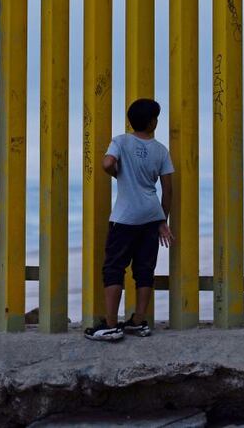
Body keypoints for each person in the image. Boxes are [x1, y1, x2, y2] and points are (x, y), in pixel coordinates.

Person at [85, 98, 174, 342]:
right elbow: (168, 189)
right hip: (151, 215)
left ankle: (112, 325)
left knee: (114, 267)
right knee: (144, 268)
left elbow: (106, 163)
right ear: (152, 122)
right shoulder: (161, 150)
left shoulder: (121, 141)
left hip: (125, 217)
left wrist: (118, 174)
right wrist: (162, 220)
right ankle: (138, 321)